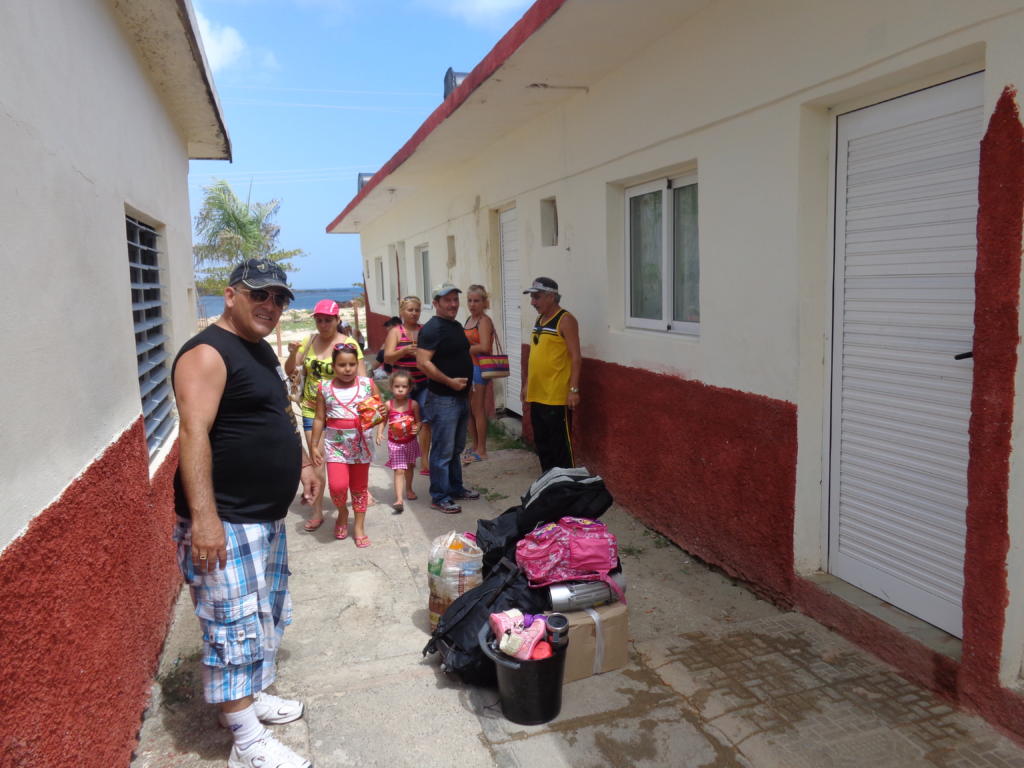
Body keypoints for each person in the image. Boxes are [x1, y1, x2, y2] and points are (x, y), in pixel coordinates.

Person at [172, 257, 318, 768]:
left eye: (280, 299)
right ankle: (246, 742)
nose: (271, 306)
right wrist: (205, 520)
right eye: (261, 295)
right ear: (230, 294)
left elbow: (281, 410)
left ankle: (249, 701)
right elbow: (193, 435)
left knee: (263, 615)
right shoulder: (208, 354)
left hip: (264, 518)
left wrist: (303, 461)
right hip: (226, 520)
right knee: (231, 626)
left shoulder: (259, 351)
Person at [284, 299, 366, 532]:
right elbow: (290, 370)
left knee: (349, 456)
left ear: (338, 320)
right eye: (319, 320)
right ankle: (318, 510)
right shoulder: (309, 341)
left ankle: (354, 495)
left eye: (328, 320)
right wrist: (291, 354)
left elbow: (362, 379)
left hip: (341, 410)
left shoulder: (348, 343)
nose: (323, 324)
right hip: (311, 407)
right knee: (317, 459)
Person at [309, 343, 385, 547]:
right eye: (342, 365)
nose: (348, 369)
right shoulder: (324, 388)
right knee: (337, 486)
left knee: (359, 489)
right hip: (335, 447)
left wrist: (378, 426)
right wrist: (314, 445)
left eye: (352, 364)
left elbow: (380, 409)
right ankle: (342, 513)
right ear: (333, 366)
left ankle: (359, 526)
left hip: (362, 446)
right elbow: (319, 418)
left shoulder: (367, 384)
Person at [415, 283, 481, 514]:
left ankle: (455, 488)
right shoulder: (433, 328)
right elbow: (423, 362)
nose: (453, 304)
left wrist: (465, 387)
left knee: (455, 448)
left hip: (460, 397)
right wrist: (449, 382)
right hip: (444, 398)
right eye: (447, 300)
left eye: (455, 300)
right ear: (436, 304)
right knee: (443, 450)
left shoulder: (453, 325)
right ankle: (439, 496)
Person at [523, 276, 581, 473]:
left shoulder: (566, 320)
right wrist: (526, 384)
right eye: (532, 297)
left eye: (536, 297)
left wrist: (573, 390)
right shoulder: (540, 319)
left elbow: (576, 357)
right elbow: (535, 355)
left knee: (560, 446)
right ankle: (549, 484)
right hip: (537, 393)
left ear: (551, 297)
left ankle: (568, 487)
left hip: (556, 396)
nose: (532, 302)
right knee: (543, 444)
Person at [382, 296, 431, 476]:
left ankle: (425, 458)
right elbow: (387, 357)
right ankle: (405, 455)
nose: (414, 313)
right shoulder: (396, 332)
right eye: (410, 310)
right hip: (403, 385)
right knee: (404, 420)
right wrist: (403, 351)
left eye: (417, 310)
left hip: (423, 382)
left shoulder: (424, 330)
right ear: (402, 312)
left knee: (425, 420)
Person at [374, 369, 421, 514]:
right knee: (399, 470)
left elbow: (419, 422)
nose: (400, 389)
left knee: (410, 466)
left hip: (410, 442)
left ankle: (409, 488)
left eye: (404, 387)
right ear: (391, 387)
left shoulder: (413, 405)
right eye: (397, 386)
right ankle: (399, 499)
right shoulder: (388, 405)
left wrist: (417, 428)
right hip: (395, 444)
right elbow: (383, 420)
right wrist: (379, 432)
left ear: (410, 388)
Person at [462, 284, 494, 463]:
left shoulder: (484, 321)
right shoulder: (469, 319)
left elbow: (484, 347)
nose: (472, 304)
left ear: (484, 302)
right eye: (470, 300)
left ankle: (482, 449)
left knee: (478, 409)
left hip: (479, 368)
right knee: (469, 410)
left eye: (476, 301)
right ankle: (474, 446)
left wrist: (463, 350)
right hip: (468, 368)